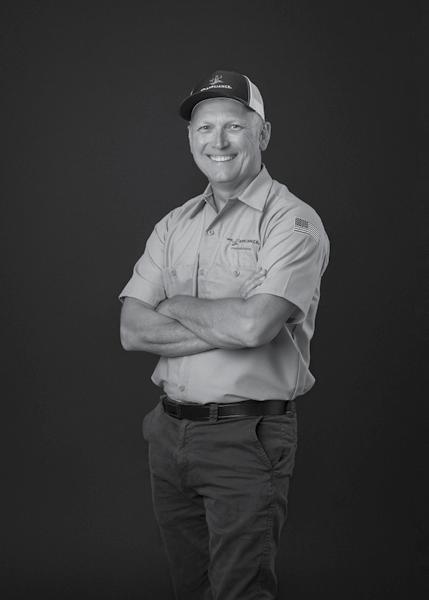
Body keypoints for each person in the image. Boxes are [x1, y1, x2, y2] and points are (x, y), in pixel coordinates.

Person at [119, 69, 330, 600]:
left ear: (263, 134)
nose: (218, 141)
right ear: (190, 138)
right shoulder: (174, 225)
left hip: (246, 437)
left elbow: (255, 325)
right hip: (169, 434)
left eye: (234, 126)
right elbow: (132, 330)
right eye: (204, 128)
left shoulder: (292, 222)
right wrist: (231, 322)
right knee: (190, 589)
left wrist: (174, 304)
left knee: (239, 591)